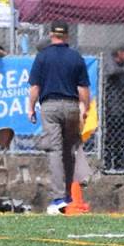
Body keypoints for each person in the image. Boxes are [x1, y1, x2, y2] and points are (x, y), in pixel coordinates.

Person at [27, 21, 90, 214]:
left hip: (50, 105)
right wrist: (84, 109)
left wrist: (30, 107)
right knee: (69, 150)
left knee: (54, 150)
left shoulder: (42, 57)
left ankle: (58, 198)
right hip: (71, 106)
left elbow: (35, 87)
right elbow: (83, 89)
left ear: (51, 34)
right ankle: (70, 195)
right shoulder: (76, 57)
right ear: (67, 36)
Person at [103, 45, 124, 172]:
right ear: (119, 53)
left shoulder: (123, 66)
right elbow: (111, 71)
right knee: (110, 137)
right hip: (112, 109)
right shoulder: (111, 63)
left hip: (123, 109)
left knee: (122, 138)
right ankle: (107, 162)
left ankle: (119, 163)